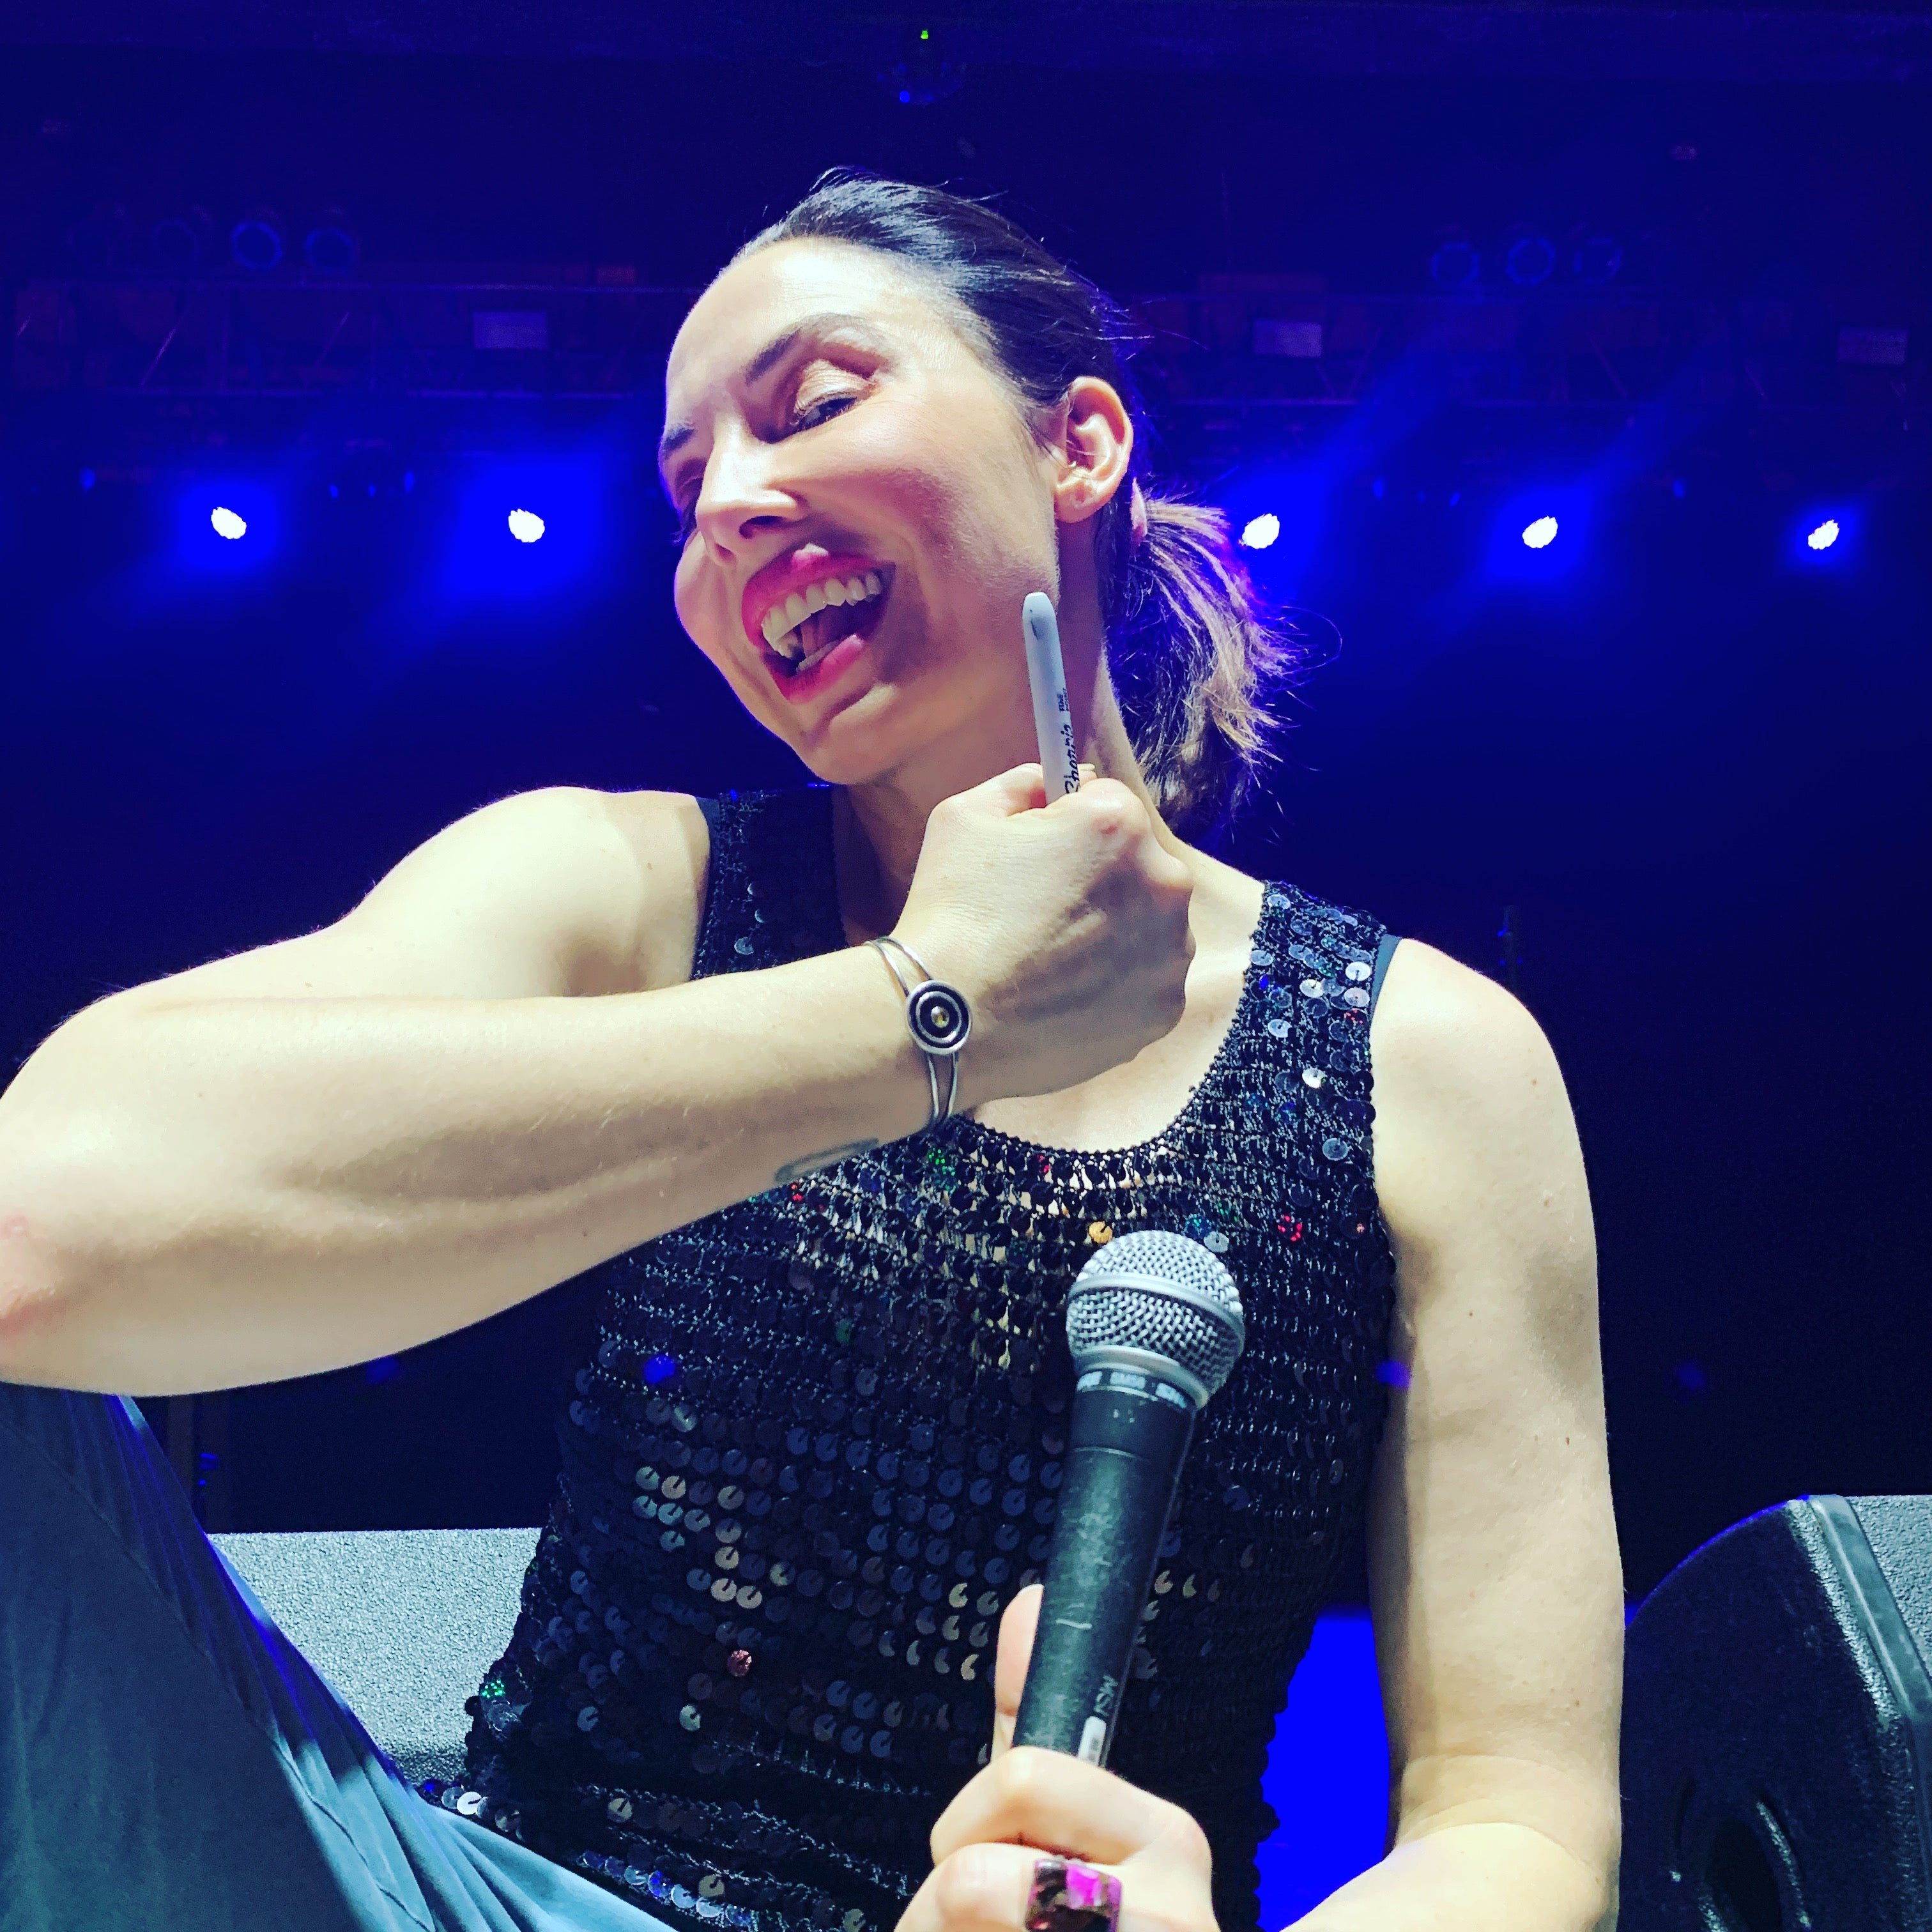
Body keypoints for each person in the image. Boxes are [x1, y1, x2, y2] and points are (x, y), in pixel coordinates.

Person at [0, 171, 1621, 1932]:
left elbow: (1521, 1828)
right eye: (689, 488)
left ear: (1077, 444)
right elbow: (43, 1218)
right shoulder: (617, 886)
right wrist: (919, 1012)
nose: (733, 510)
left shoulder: (1433, 1056)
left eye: (815, 404)